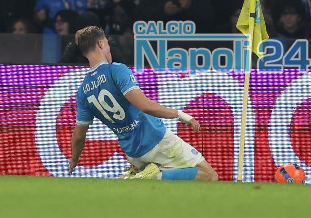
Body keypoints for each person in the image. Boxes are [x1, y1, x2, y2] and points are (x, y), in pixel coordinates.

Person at [69, 26, 219, 181]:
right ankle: (152, 176)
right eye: (107, 44)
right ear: (101, 44)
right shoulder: (116, 70)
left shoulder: (83, 91)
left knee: (172, 185)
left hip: (133, 153)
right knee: (210, 175)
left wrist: (74, 159)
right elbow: (145, 106)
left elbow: (79, 135)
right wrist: (181, 115)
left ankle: (138, 175)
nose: (109, 49)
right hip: (156, 139)